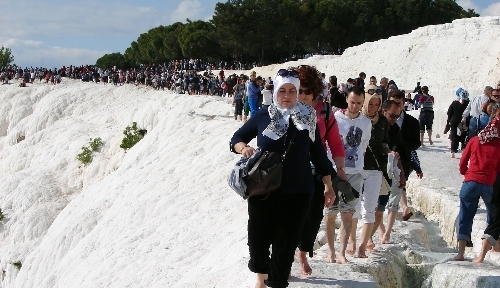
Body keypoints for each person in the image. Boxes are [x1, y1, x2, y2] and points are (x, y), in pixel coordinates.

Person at [230, 69, 335, 288]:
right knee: (257, 240)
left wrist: (328, 185)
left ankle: (276, 283)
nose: (287, 95)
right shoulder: (263, 114)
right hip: (264, 189)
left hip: (298, 190)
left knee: (285, 245)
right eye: (282, 91)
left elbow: (318, 153)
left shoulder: (307, 117)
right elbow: (236, 138)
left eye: (292, 91)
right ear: (275, 91)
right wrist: (244, 148)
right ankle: (260, 279)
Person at [295, 65, 346, 275]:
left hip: (317, 169)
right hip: (291, 168)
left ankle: (302, 253)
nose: (303, 95)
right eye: (300, 89)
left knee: (314, 215)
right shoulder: (285, 109)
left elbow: (334, 142)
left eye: (308, 91)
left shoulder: (324, 111)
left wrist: (340, 169)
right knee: (291, 214)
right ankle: (284, 257)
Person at [325, 86, 372, 264]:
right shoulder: (335, 119)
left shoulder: (366, 123)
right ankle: (330, 250)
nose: (355, 106)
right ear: (347, 100)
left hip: (355, 172)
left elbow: (364, 145)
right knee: (331, 213)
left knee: (348, 213)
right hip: (334, 170)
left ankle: (342, 253)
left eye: (359, 103)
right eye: (352, 102)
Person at [347, 85, 388, 258]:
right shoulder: (358, 119)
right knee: (353, 207)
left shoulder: (383, 122)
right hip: (357, 168)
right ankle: (352, 241)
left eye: (376, 105)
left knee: (370, 208)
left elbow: (384, 141)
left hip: (375, 169)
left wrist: (387, 149)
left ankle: (363, 246)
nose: (373, 108)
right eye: (370, 104)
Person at [455, 108, 500, 261]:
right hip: (490, 184)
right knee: (493, 216)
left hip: (471, 182)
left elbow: (462, 162)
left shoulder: (474, 140)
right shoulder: (499, 144)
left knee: (465, 217)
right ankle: (492, 248)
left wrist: (466, 173)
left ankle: (460, 253)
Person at [447, 88, 469, 158]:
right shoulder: (468, 103)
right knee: (464, 136)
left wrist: (448, 122)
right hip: (464, 122)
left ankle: (453, 152)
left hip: (454, 122)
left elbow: (449, 113)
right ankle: (463, 151)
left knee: (454, 136)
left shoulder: (454, 103)